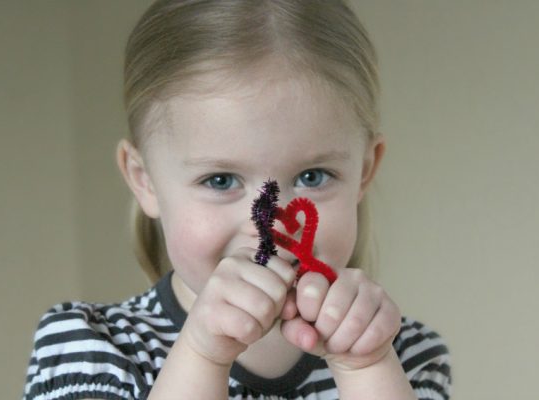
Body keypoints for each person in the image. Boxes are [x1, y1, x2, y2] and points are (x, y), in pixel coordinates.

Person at [23, 1, 451, 399]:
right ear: (145, 181)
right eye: (221, 180)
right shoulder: (91, 348)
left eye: (312, 176)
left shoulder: (406, 354)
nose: (272, 226)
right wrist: (203, 355)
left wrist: (367, 368)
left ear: (364, 172)